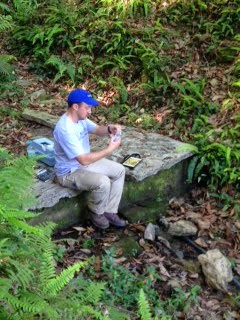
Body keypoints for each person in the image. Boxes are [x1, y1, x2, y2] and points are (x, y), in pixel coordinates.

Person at [53, 88, 126, 229]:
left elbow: (98, 130)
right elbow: (84, 160)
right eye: (87, 108)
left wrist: (110, 129)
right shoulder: (65, 129)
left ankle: (110, 211)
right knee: (103, 182)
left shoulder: (80, 119)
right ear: (75, 107)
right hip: (69, 172)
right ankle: (96, 212)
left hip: (83, 164)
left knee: (119, 170)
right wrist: (109, 149)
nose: (90, 111)